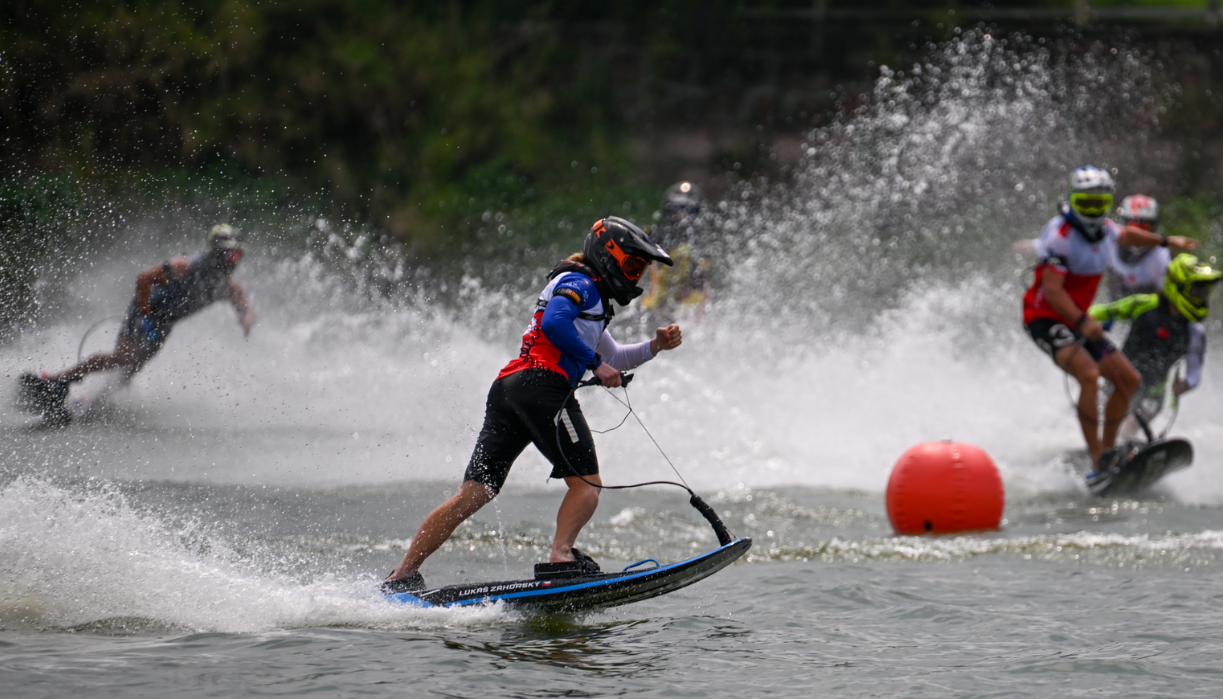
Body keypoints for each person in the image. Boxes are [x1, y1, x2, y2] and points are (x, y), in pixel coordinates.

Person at [385, 216, 682, 591]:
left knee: (474, 493)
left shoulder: (591, 299)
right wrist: (594, 364)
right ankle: (561, 556)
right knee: (587, 486)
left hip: (509, 390)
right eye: (633, 265)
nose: (635, 276)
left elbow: (617, 357)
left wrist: (656, 346)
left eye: (640, 269)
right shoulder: (581, 284)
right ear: (608, 255)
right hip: (543, 388)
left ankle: (402, 574)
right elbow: (555, 325)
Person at [1021, 166, 1197, 478]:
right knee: (1089, 375)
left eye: (1099, 204)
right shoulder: (1060, 237)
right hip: (1045, 318)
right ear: (1072, 200)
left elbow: (1126, 234)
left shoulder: (1106, 229)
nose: (1092, 211)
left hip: (1077, 320)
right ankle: (1097, 459)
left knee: (1129, 380)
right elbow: (1053, 292)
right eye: (1085, 203)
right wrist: (1082, 320)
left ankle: (1109, 449)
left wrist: (1167, 240)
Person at [22, 225, 255, 410]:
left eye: (236, 255)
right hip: (145, 311)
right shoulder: (184, 267)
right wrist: (145, 315)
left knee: (131, 369)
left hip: (163, 325)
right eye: (227, 254)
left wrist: (246, 319)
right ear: (214, 251)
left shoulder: (229, 288)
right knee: (123, 356)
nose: (231, 260)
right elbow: (144, 278)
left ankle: (89, 404)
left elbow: (246, 309)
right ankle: (57, 380)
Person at [1089, 253, 1220, 436]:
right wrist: (1085, 321)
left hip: (1153, 393)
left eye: (1203, 293)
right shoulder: (1144, 304)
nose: (1199, 298)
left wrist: (1185, 385)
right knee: (1101, 415)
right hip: (1119, 380)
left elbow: (1194, 371)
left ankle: (1123, 442)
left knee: (1131, 425)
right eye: (1195, 292)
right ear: (1177, 286)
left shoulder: (1195, 332)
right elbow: (1103, 311)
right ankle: (1096, 439)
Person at [641, 181, 709, 318]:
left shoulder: (698, 247)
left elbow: (702, 289)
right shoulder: (652, 235)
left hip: (680, 312)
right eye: (679, 208)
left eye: (690, 210)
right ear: (669, 210)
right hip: (648, 307)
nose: (684, 214)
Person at [1105, 195, 1172, 300]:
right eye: (1134, 228)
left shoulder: (1160, 255)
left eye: (1145, 228)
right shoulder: (1110, 239)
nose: (1139, 236)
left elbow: (1169, 296)